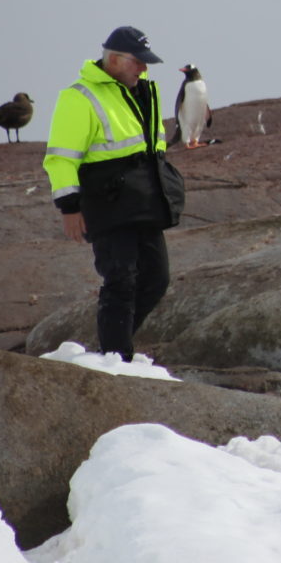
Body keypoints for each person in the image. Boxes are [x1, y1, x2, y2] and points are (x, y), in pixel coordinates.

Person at [43, 25, 184, 361]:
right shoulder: (80, 96)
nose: (144, 68)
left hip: (145, 202)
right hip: (108, 205)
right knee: (121, 280)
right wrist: (69, 207)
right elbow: (61, 158)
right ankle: (116, 357)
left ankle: (115, 350)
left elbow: (153, 148)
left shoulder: (146, 91)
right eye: (138, 61)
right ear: (115, 59)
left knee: (156, 280)